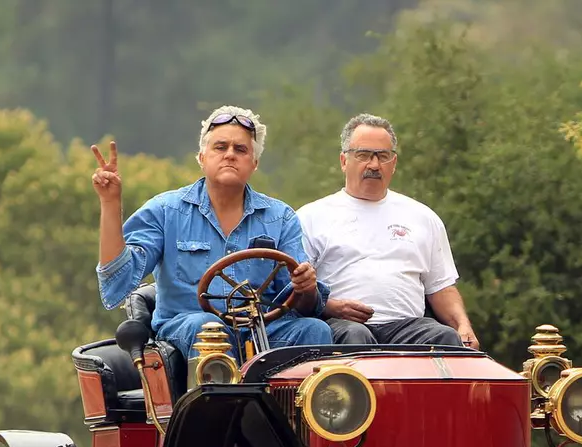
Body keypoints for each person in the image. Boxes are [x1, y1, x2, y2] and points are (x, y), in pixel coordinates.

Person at [91, 105, 332, 362]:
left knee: (315, 330)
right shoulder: (165, 210)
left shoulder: (280, 217)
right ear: (202, 157)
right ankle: (219, 402)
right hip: (187, 330)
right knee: (208, 328)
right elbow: (118, 280)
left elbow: (301, 302)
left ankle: (300, 402)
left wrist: (306, 287)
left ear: (254, 163)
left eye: (240, 149)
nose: (230, 155)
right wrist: (110, 203)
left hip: (263, 331)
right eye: (220, 147)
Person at [297, 113, 479, 349]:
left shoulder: (423, 217)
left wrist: (463, 325)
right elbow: (298, 292)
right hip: (341, 324)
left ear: (393, 164)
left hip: (407, 326)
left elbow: (440, 286)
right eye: (363, 155)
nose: (373, 165)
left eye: (382, 156)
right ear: (344, 161)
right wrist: (331, 306)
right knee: (356, 337)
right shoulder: (310, 217)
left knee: (445, 338)